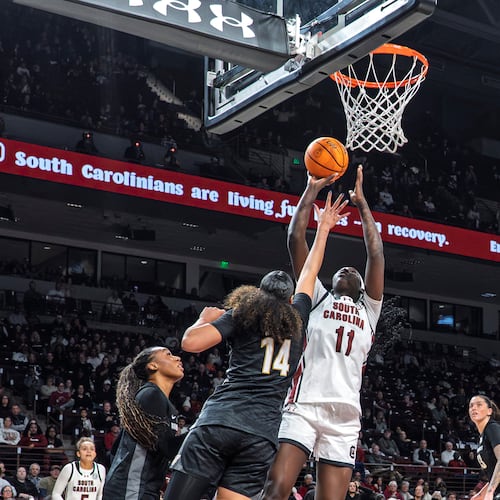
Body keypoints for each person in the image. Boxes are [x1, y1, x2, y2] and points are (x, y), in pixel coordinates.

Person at [165, 191, 351, 500]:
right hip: (261, 435)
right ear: (291, 300)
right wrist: (324, 228)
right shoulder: (299, 317)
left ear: (256, 294)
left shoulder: (242, 314)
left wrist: (202, 318)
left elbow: (191, 343)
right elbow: (309, 272)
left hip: (221, 420)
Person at [262, 165, 384, 500]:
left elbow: (376, 253)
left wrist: (362, 206)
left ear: (362, 288)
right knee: (276, 489)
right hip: (305, 405)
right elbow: (294, 239)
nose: (348, 269)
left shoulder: (369, 311)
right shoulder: (315, 297)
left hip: (345, 415)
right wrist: (310, 189)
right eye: (342, 269)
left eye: (354, 272)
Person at [102, 347, 185, 499]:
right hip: (131, 489)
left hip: (139, 488)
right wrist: (203, 426)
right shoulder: (150, 394)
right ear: (153, 366)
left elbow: (115, 449)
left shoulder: (158, 399)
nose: (177, 358)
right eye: (168, 354)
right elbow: (167, 447)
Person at [468, 395, 500, 500]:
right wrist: (482, 494)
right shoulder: (483, 436)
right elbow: (493, 472)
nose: (474, 408)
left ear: (489, 411)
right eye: (471, 406)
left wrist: (490, 491)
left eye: (479, 405)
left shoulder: (492, 428)